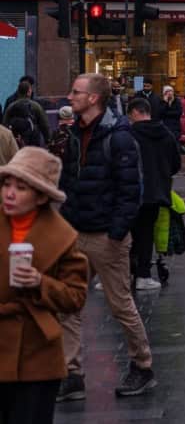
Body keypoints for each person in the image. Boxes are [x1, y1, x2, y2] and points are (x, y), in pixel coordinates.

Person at [53, 73, 152, 403]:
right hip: (77, 233)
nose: (70, 97)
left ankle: (143, 366)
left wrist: (116, 232)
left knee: (120, 305)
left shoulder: (119, 137)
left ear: (94, 98)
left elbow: (131, 190)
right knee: (69, 307)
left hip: (105, 237)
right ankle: (72, 374)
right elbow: (67, 184)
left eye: (76, 92)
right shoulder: (74, 135)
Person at [0, 148, 89, 422]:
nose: (10, 193)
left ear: (40, 196)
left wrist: (41, 283)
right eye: (6, 184)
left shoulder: (62, 236)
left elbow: (75, 297)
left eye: (21, 187)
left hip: (37, 353)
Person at [124, 96, 179, 291]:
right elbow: (176, 164)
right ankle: (143, 275)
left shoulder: (128, 135)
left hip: (131, 191)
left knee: (126, 232)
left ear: (134, 113)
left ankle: (125, 273)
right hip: (156, 193)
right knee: (147, 232)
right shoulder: (166, 134)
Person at [2, 80, 46, 149]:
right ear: (28, 92)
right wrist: (49, 141)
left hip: (15, 144)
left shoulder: (11, 106)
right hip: (32, 144)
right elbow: (44, 125)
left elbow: (4, 125)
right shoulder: (36, 106)